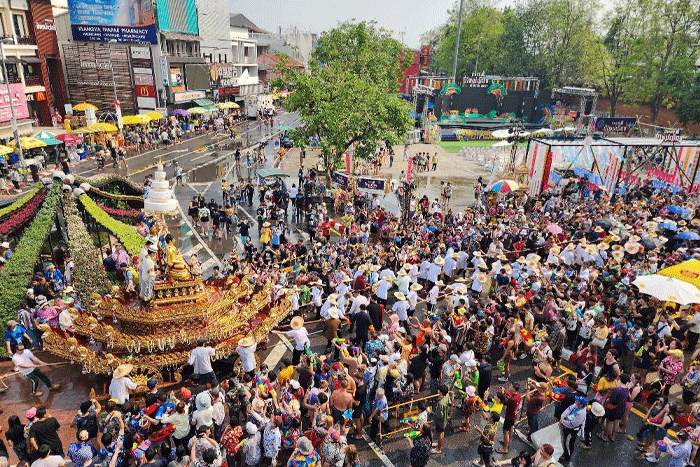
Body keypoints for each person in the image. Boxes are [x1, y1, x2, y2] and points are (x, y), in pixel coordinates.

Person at [558, 396, 587, 463]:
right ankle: (565, 452)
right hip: (568, 423)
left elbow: (574, 424)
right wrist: (563, 417)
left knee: (569, 442)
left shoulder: (581, 413)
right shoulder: (576, 405)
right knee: (565, 440)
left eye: (578, 401)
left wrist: (563, 422)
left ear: (581, 404)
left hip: (572, 430)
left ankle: (567, 456)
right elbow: (568, 409)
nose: (575, 401)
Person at [432, 384, 451, 454]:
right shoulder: (447, 396)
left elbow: (439, 415)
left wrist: (430, 412)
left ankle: (439, 448)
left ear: (441, 392)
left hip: (440, 421)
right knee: (442, 433)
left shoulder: (440, 403)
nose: (437, 390)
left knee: (439, 433)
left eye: (439, 390)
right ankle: (439, 444)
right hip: (445, 419)